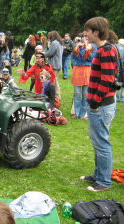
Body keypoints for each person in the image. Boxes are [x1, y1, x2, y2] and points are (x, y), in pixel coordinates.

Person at [80, 17, 117, 192]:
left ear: (96, 32)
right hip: (98, 105)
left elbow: (108, 80)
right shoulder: (101, 50)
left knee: (101, 143)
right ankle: (97, 174)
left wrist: (95, 101)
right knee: (97, 141)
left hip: (101, 105)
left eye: (87, 31)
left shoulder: (107, 51)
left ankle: (104, 181)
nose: (85, 34)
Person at [71, 31, 97, 119]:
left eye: (86, 37)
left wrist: (87, 48)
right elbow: (74, 57)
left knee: (85, 94)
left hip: (87, 69)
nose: (84, 39)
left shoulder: (93, 47)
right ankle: (76, 112)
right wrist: (76, 46)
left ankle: (84, 113)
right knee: (77, 93)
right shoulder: (78, 46)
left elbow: (91, 59)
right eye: (83, 37)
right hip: (78, 69)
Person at [45, 31, 63, 100]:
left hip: (54, 64)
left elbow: (50, 53)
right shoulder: (60, 42)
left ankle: (57, 96)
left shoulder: (54, 43)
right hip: (59, 64)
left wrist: (43, 54)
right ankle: (58, 95)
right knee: (56, 80)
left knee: (53, 81)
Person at [107, 30, 124, 103]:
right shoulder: (120, 46)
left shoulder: (111, 47)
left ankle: (116, 98)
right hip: (122, 67)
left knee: (114, 83)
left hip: (115, 68)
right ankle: (122, 98)